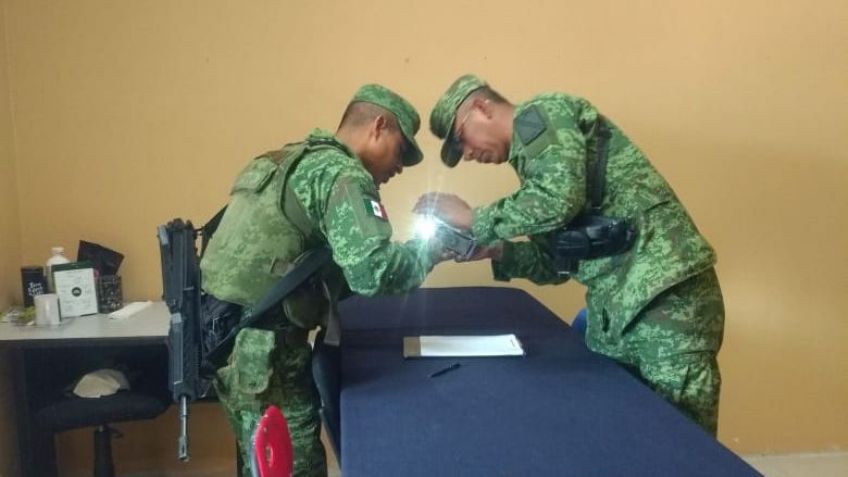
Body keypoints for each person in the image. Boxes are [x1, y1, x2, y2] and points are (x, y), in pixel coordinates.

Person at [416, 74, 725, 435]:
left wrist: (474, 217)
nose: (467, 154)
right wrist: (493, 250)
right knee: (628, 439)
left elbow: (560, 199)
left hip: (668, 303)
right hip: (620, 312)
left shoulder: (542, 113)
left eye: (460, 139)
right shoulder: (538, 175)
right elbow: (556, 262)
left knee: (681, 445)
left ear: (482, 107)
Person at [200, 84, 446, 476]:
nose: (399, 168)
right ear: (378, 126)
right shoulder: (343, 174)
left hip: (227, 342)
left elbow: (308, 266)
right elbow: (373, 273)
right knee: (291, 466)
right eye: (401, 151)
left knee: (259, 462)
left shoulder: (289, 160)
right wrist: (430, 250)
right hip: (265, 359)